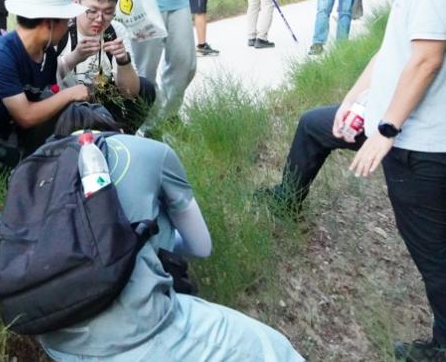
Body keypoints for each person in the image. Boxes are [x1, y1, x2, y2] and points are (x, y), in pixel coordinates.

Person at [264, 0, 446, 362]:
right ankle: (287, 199)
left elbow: (426, 60)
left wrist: (384, 133)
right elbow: (391, 54)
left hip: (417, 143)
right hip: (389, 122)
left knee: (432, 252)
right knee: (314, 124)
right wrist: (351, 101)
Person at [37, 104, 304, 362]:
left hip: (55, 338)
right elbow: (201, 246)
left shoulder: (35, 173)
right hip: (134, 331)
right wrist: (157, 234)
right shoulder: (146, 151)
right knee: (276, 351)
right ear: (114, 130)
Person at [0, 0, 89, 166]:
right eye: (66, 22)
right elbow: (25, 116)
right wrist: (70, 94)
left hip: (23, 135)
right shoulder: (0, 54)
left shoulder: (47, 54)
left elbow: (47, 99)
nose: (68, 28)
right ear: (48, 24)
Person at [57, 0, 156, 132]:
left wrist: (123, 61)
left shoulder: (116, 31)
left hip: (105, 102)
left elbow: (131, 93)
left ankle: (123, 137)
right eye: (92, 11)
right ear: (76, 4)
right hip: (69, 106)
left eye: (108, 12)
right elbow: (46, 81)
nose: (99, 19)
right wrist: (74, 57)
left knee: (145, 88)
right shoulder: (62, 30)